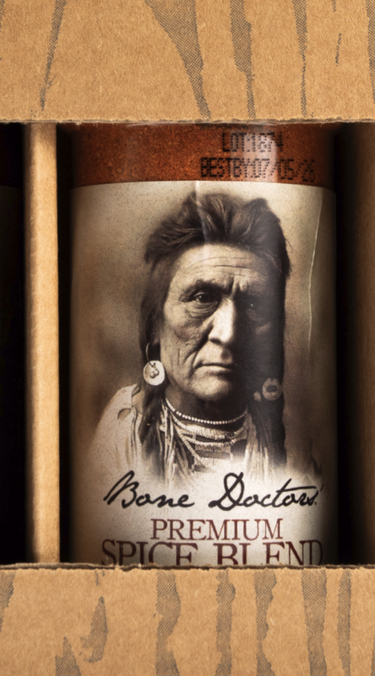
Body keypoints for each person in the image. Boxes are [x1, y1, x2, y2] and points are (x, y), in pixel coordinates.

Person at [93, 190, 296, 485]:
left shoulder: (290, 436)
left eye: (254, 305)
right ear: (155, 323)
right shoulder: (124, 429)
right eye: (202, 298)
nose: (228, 334)